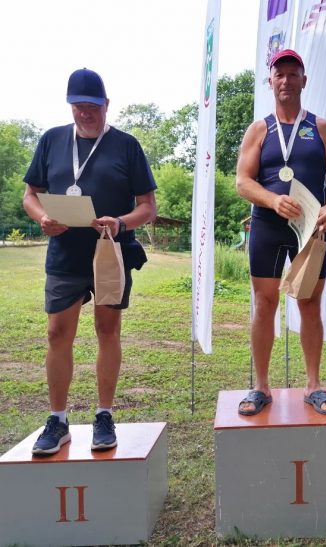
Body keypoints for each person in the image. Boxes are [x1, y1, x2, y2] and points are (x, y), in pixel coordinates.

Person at [23, 68, 157, 454]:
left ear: (106, 105)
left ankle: (104, 415)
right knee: (57, 334)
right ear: (70, 106)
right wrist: (42, 218)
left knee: (107, 330)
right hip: (65, 254)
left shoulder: (126, 145)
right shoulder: (51, 140)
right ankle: (58, 420)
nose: (86, 113)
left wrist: (120, 222)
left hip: (110, 252)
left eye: (93, 107)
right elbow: (30, 195)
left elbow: (148, 207)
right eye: (78, 106)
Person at [235, 49, 326, 416]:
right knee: (264, 302)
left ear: (303, 80)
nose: (286, 80)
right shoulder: (259, 129)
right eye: (279, 74)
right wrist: (272, 200)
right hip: (267, 226)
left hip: (310, 230)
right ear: (270, 81)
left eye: (292, 74)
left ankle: (313, 385)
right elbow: (242, 181)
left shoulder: (322, 128)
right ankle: (260, 386)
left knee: (309, 303)